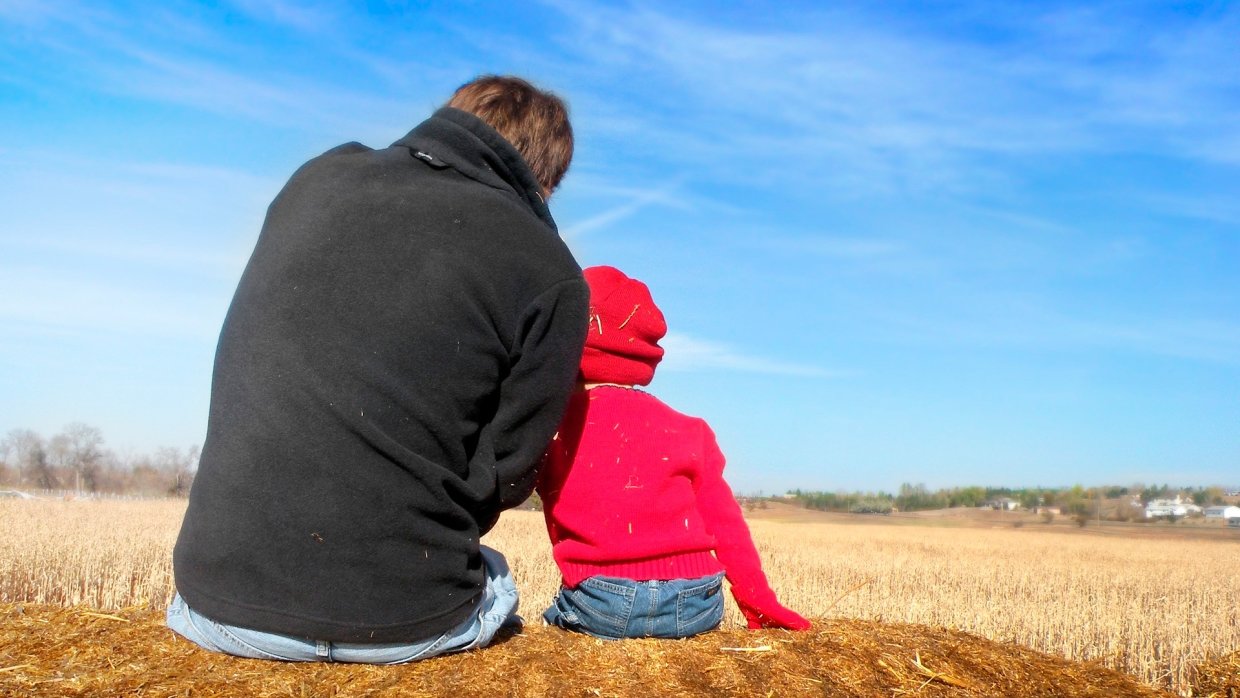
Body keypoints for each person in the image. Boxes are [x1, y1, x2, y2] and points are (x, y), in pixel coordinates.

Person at [168, 75, 590, 663]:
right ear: (544, 180)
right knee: (497, 577)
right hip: (403, 621)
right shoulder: (552, 271)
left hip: (212, 604)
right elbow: (509, 473)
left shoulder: (316, 178)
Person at [536, 266, 811, 640]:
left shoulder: (553, 428)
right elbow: (725, 523)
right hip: (699, 600)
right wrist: (757, 599)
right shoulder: (691, 430)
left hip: (604, 600)